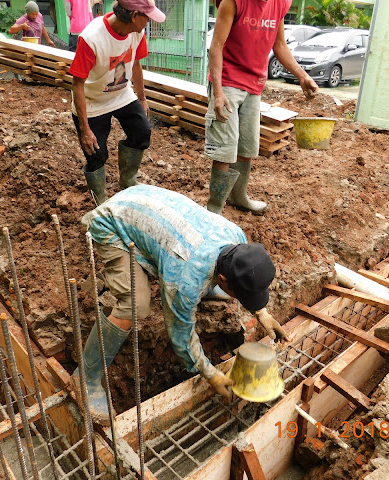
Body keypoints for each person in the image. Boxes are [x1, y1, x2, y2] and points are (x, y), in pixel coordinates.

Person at [75, 185, 289, 424]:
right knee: (136, 304)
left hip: (145, 202)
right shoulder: (184, 279)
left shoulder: (236, 236)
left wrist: (262, 312)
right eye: (242, 295)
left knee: (198, 287)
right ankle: (86, 377)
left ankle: (207, 289)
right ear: (222, 279)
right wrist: (209, 373)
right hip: (114, 221)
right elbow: (180, 332)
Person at [205, 0, 319, 215]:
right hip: (227, 81)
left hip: (254, 84)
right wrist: (218, 92)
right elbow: (216, 47)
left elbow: (280, 46)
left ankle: (239, 197)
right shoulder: (233, 2)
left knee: (247, 146)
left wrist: (302, 76)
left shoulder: (281, 3)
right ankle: (214, 209)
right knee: (224, 149)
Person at [69, 0, 165, 206]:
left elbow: (136, 64)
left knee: (142, 132)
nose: (148, 21)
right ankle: (101, 200)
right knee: (95, 153)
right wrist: (85, 128)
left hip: (122, 94)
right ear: (134, 16)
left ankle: (128, 180)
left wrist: (141, 98)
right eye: (147, 16)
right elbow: (77, 84)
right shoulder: (92, 37)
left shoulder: (137, 32)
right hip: (92, 100)